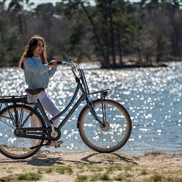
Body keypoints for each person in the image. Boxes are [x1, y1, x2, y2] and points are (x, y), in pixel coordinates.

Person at [19, 35, 63, 159]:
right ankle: (34, 151)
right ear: (32, 46)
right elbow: (38, 71)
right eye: (38, 45)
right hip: (33, 95)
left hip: (42, 94)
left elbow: (45, 75)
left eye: (42, 45)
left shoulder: (41, 60)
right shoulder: (28, 61)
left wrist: (53, 67)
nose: (41, 47)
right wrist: (48, 65)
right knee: (35, 124)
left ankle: (50, 136)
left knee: (56, 113)